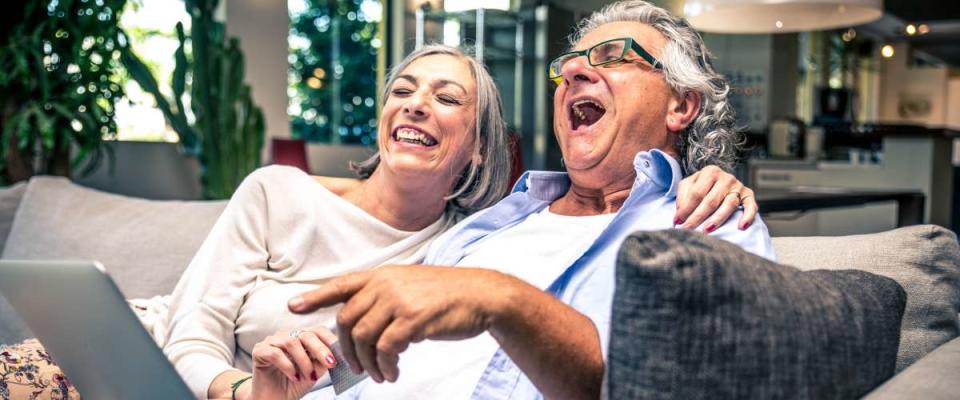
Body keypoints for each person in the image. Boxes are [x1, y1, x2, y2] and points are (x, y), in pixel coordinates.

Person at [156, 43, 754, 400]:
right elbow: (187, 329)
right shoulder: (277, 191)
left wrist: (710, 173)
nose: (416, 104)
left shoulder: (470, 240)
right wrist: (239, 391)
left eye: (446, 98)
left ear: (477, 148)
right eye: (403, 91)